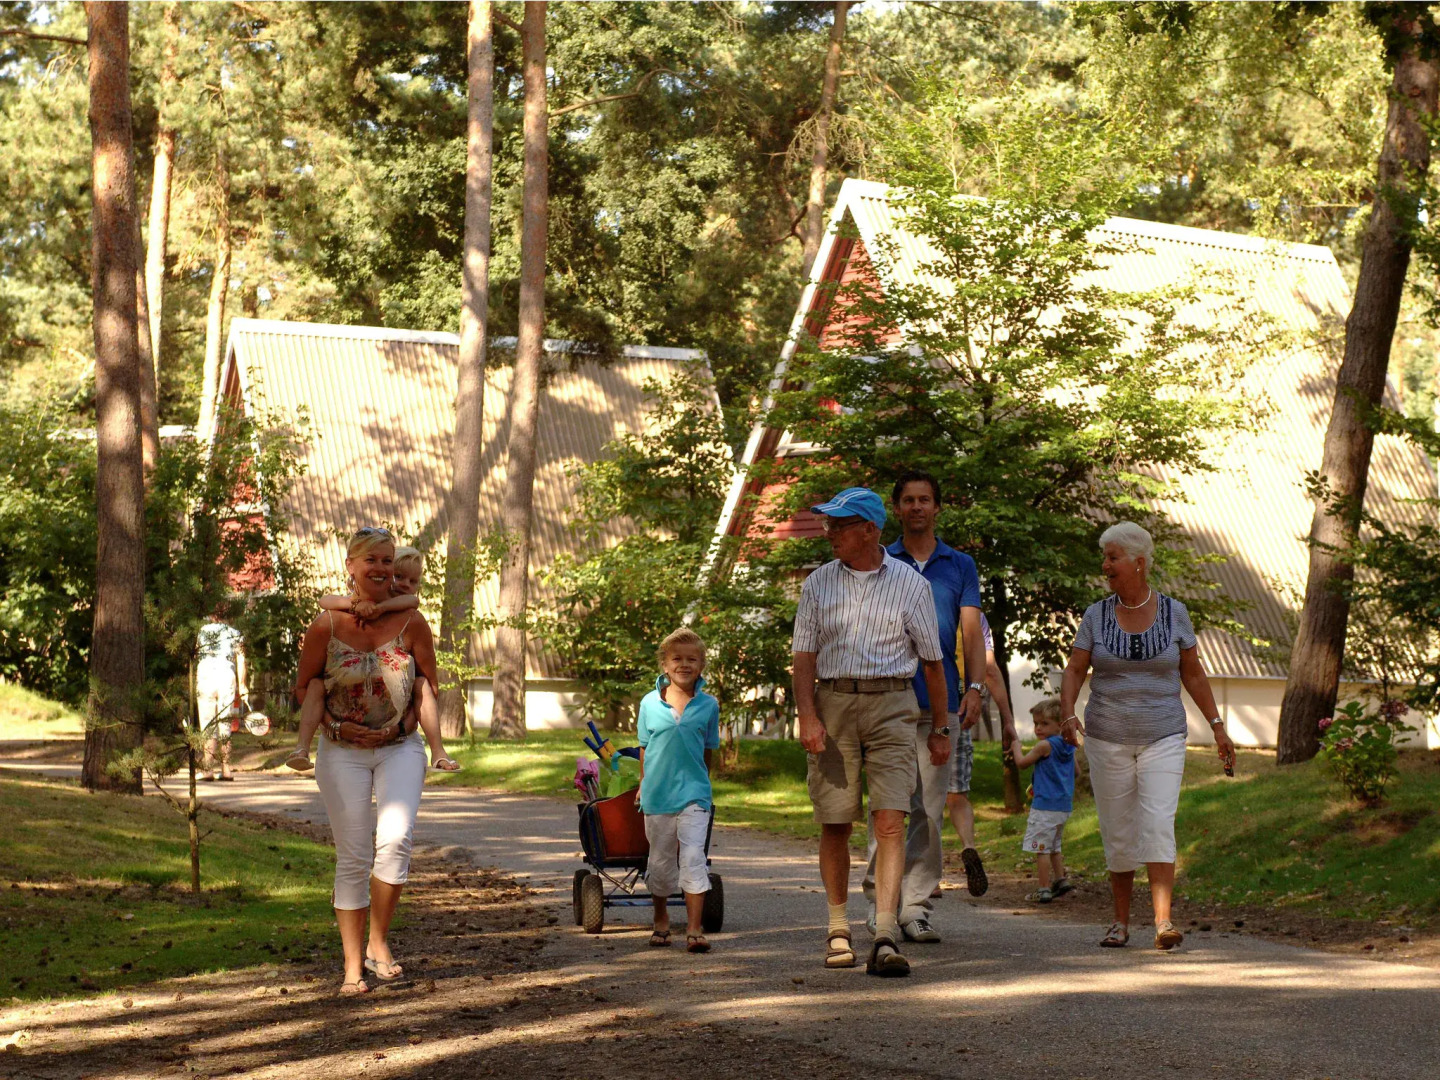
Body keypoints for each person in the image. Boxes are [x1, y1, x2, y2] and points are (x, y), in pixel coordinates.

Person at [792, 486, 949, 978]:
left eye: (839, 525)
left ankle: (884, 932)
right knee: (835, 819)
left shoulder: (909, 584)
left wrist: (940, 728)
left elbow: (933, 664)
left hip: (892, 704)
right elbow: (803, 658)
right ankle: (838, 928)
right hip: (833, 701)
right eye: (829, 524)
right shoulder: (818, 583)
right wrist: (808, 716)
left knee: (891, 820)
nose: (829, 532)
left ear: (869, 530)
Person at [1060, 521, 1237, 951]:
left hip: (1163, 735)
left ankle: (1163, 922)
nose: (1105, 565)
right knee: (1118, 832)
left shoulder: (1175, 613)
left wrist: (1217, 725)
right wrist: (1067, 714)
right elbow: (1075, 669)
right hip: (1106, 737)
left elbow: (1192, 672)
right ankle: (1119, 922)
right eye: (1105, 557)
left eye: (1112, 557)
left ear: (1139, 562)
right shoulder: (1096, 616)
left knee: (1158, 823)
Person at [293, 527, 440, 995]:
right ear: (351, 567)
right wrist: (335, 729)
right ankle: (352, 968)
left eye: (387, 561)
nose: (380, 569)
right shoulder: (326, 625)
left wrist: (406, 726)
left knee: (395, 841)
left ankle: (379, 941)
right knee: (354, 855)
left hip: (399, 747)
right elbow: (304, 687)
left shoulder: (412, 623)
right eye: (371, 561)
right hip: (341, 752)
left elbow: (428, 686)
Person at [865, 471, 989, 945]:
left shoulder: (959, 565)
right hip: (886, 701)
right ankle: (883, 906)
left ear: (937, 507)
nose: (917, 507)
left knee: (930, 812)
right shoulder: (879, 561)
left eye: (926, 500)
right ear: (896, 508)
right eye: (909, 500)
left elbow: (972, 633)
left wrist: (974, 686)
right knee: (888, 809)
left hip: (941, 706)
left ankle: (915, 907)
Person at [288, 545, 457, 774]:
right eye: (399, 577)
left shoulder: (409, 613)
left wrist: (378, 608)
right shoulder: (345, 611)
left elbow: (412, 602)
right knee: (316, 685)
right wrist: (356, 605)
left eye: (413, 581)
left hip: (396, 737)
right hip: (341, 739)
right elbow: (325, 601)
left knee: (422, 684)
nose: (406, 584)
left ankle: (438, 751)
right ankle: (301, 749)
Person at [636, 627, 721, 954]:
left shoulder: (708, 705)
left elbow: (708, 750)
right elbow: (645, 747)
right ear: (665, 664)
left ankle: (695, 928)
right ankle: (661, 920)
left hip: (694, 795)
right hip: (657, 795)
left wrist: (702, 784)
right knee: (659, 862)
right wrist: (644, 784)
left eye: (692, 659)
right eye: (677, 658)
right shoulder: (649, 703)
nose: (684, 664)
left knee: (693, 857)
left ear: (701, 665)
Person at [1010, 697, 1076, 904]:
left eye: (1044, 723)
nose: (1038, 728)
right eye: (1036, 723)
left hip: (1045, 806)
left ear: (1059, 724)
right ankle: (1061, 879)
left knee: (1041, 848)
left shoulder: (1044, 746)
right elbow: (1077, 772)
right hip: (1063, 805)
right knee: (1055, 846)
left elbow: (1022, 763)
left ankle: (1044, 888)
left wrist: (1015, 748)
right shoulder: (1068, 746)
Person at [195, 611, 246, 782]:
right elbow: (241, 660)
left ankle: (207, 769)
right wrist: (243, 684)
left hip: (206, 674)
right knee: (224, 722)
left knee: (208, 722)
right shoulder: (235, 633)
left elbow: (195, 654)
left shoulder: (202, 631)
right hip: (226, 675)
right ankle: (226, 770)